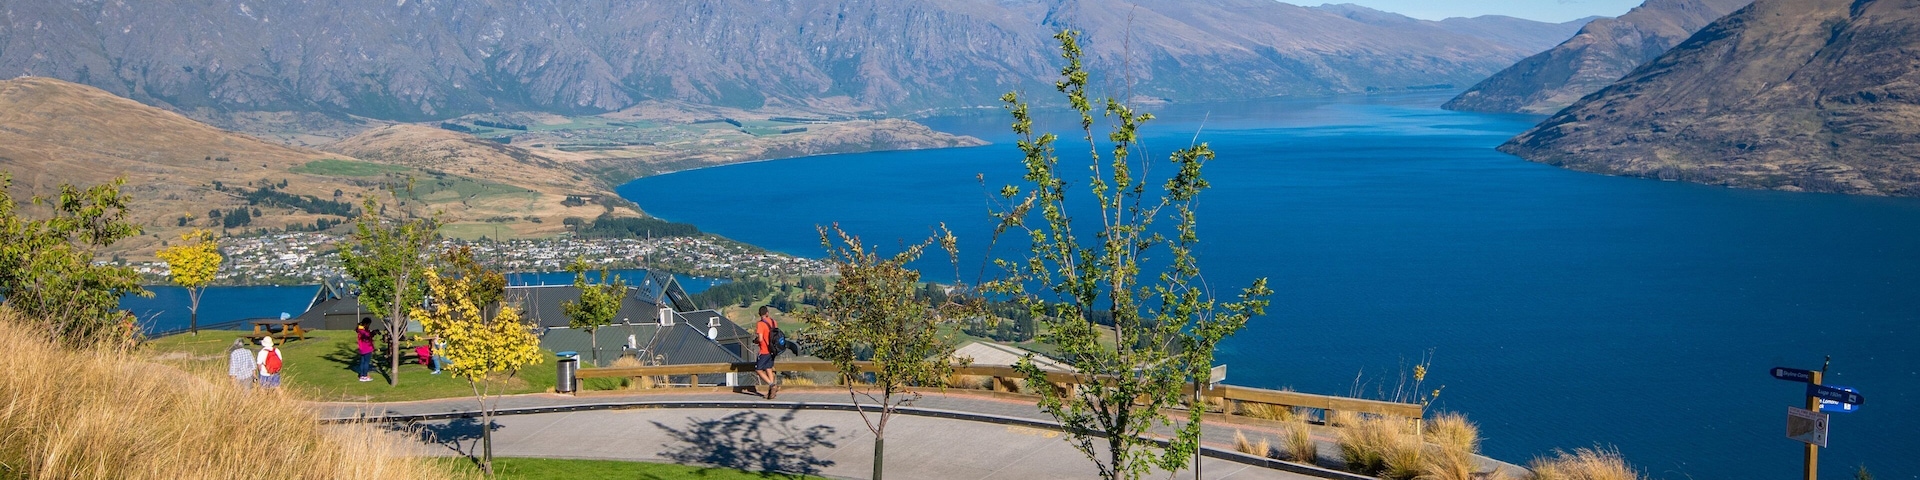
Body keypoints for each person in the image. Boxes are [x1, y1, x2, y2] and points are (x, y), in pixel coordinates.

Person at [754, 305, 779, 400]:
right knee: (768, 368)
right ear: (767, 313)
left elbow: (760, 339)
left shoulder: (760, 324)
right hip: (773, 350)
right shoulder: (774, 322)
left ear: (759, 314)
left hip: (764, 350)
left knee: (758, 369)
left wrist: (755, 341)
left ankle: (772, 385)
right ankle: (771, 393)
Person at [354, 318, 375, 382]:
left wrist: (372, 333)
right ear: (366, 324)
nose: (369, 326)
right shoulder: (363, 331)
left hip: (362, 349)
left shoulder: (360, 329)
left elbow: (368, 335)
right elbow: (367, 336)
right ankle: (365, 376)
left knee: (362, 362)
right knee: (366, 362)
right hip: (367, 348)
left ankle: (362, 375)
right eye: (368, 324)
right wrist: (373, 333)